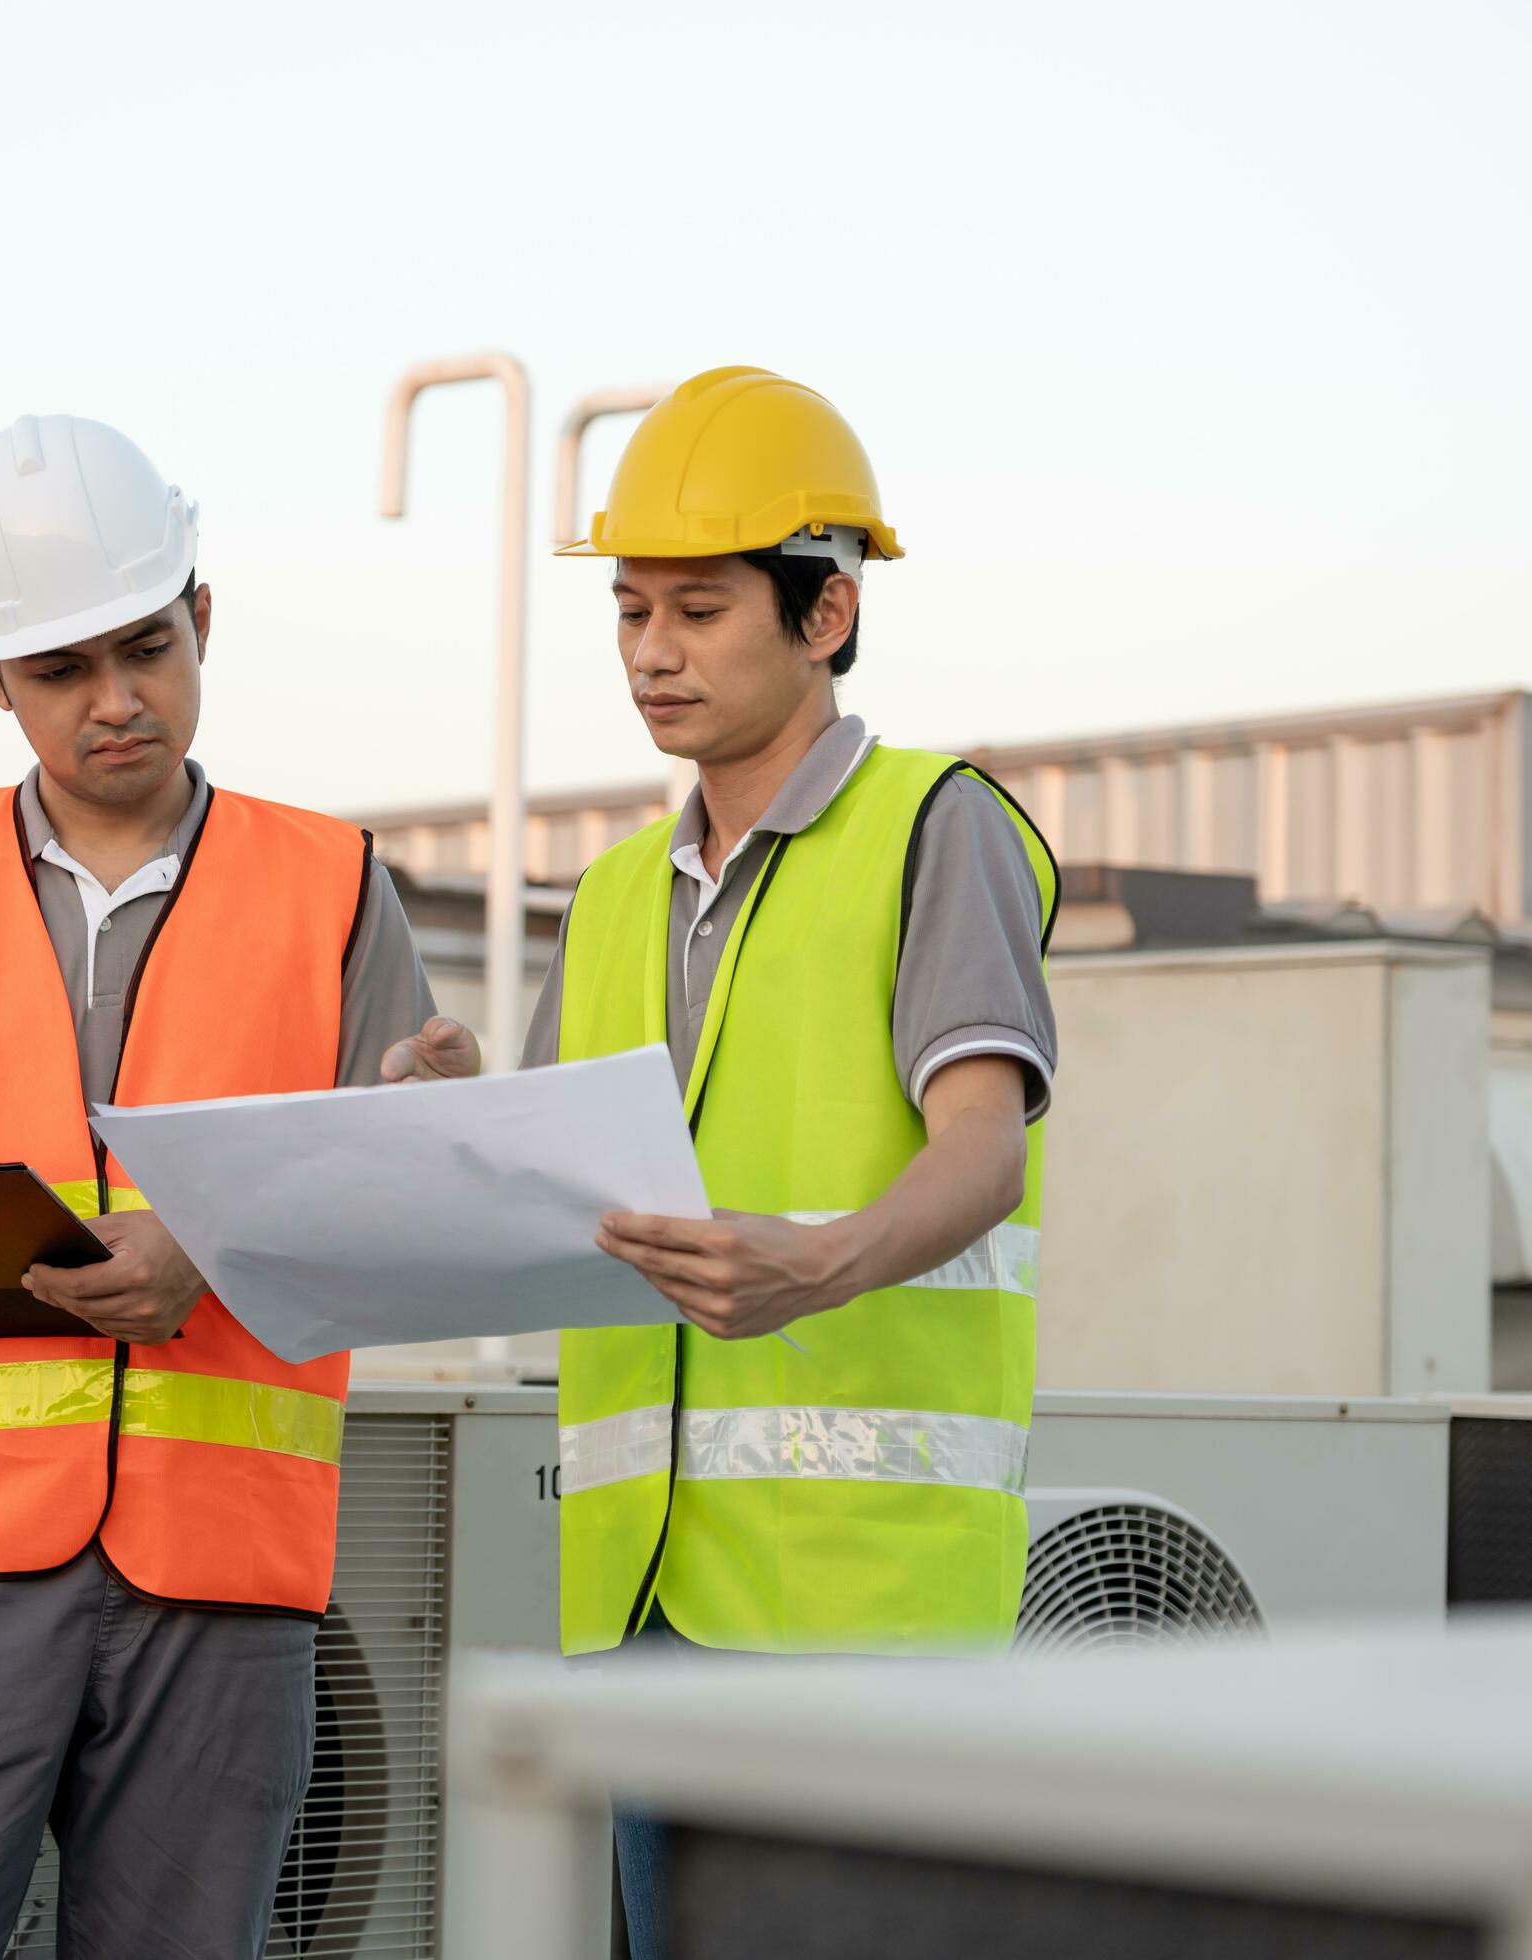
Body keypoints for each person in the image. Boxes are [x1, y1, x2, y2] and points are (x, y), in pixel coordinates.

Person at [0, 412, 475, 1960]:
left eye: (147, 646)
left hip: (223, 1572)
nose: (117, 700)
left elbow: (397, 1216)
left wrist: (213, 1243)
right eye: (62, 670)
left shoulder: (335, 886)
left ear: (203, 615)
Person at [529, 367, 1060, 1958]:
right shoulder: (612, 895)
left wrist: (814, 1264)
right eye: (630, 610)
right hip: (641, 1599)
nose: (651, 652)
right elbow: (546, 1184)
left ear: (827, 612)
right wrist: (431, 1108)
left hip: (864, 1611)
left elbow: (985, 1149)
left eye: (699, 610)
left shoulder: (935, 829)